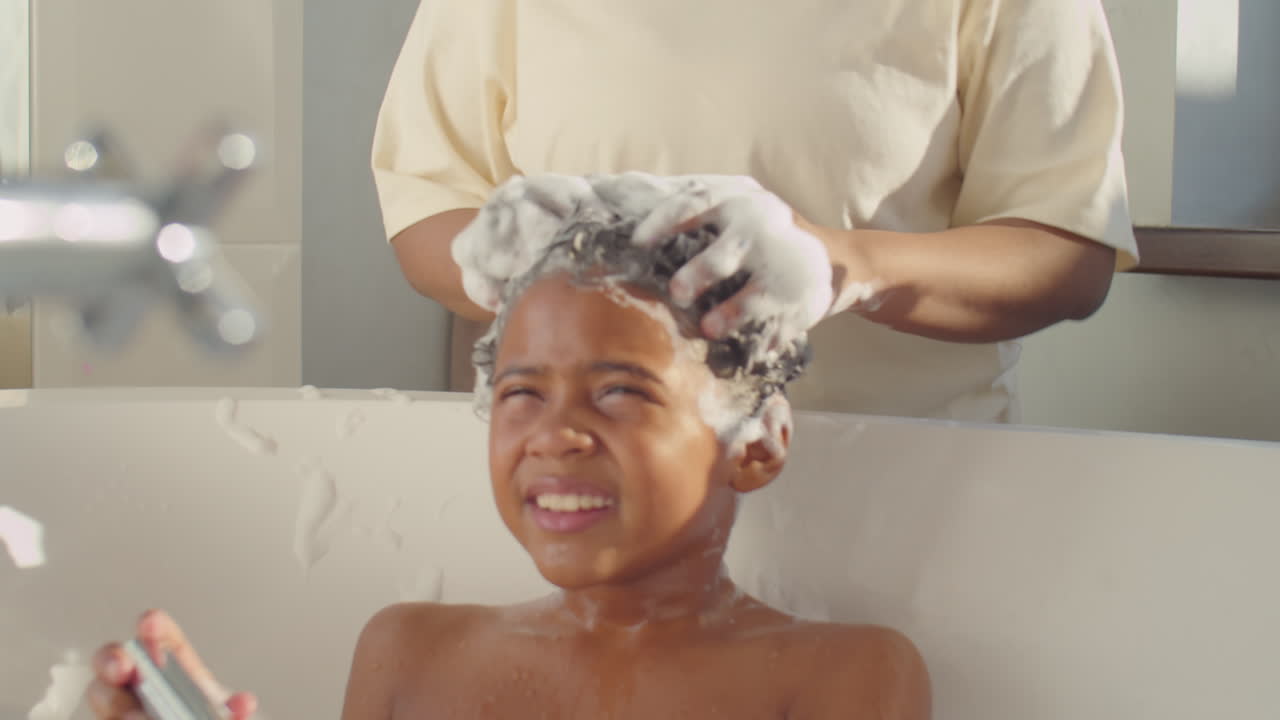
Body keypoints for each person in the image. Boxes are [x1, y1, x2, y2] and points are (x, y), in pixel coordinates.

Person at [83, 220, 930, 719]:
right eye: (521, 391)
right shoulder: (409, 651)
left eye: (618, 393)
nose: (553, 436)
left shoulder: (843, 675)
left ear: (757, 442)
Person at [371, 0, 1140, 423]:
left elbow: (1065, 252)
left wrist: (841, 269)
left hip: (910, 493)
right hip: (590, 485)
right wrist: (558, 258)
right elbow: (430, 203)